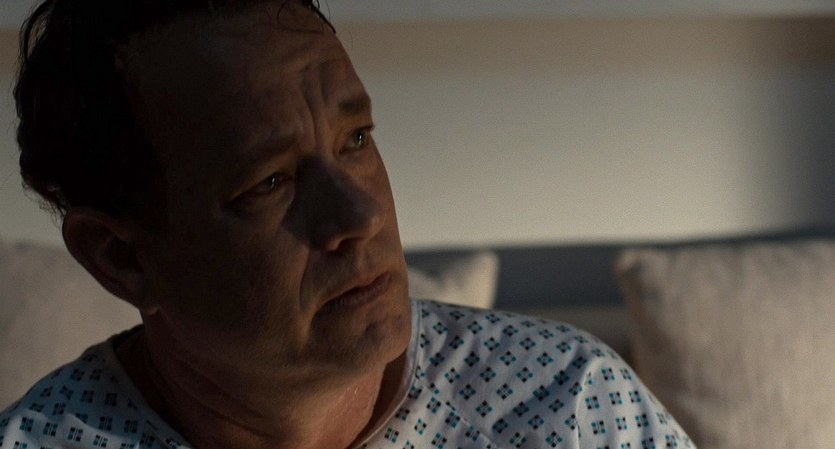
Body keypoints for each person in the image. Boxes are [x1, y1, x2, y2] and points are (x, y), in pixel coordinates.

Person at [0, 1, 695, 448]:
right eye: (269, 182)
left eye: (355, 139)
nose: (361, 214)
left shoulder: (570, 408)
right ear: (120, 257)